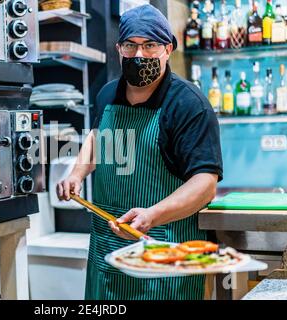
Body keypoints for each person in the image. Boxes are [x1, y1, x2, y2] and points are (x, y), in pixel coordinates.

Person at [57, 4, 223, 300]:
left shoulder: (188, 104)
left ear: (168, 48)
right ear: (119, 48)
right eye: (131, 45)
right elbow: (99, 137)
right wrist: (77, 172)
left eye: (150, 45)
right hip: (107, 255)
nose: (139, 55)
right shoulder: (107, 93)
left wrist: (153, 215)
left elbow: (205, 184)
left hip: (163, 257)